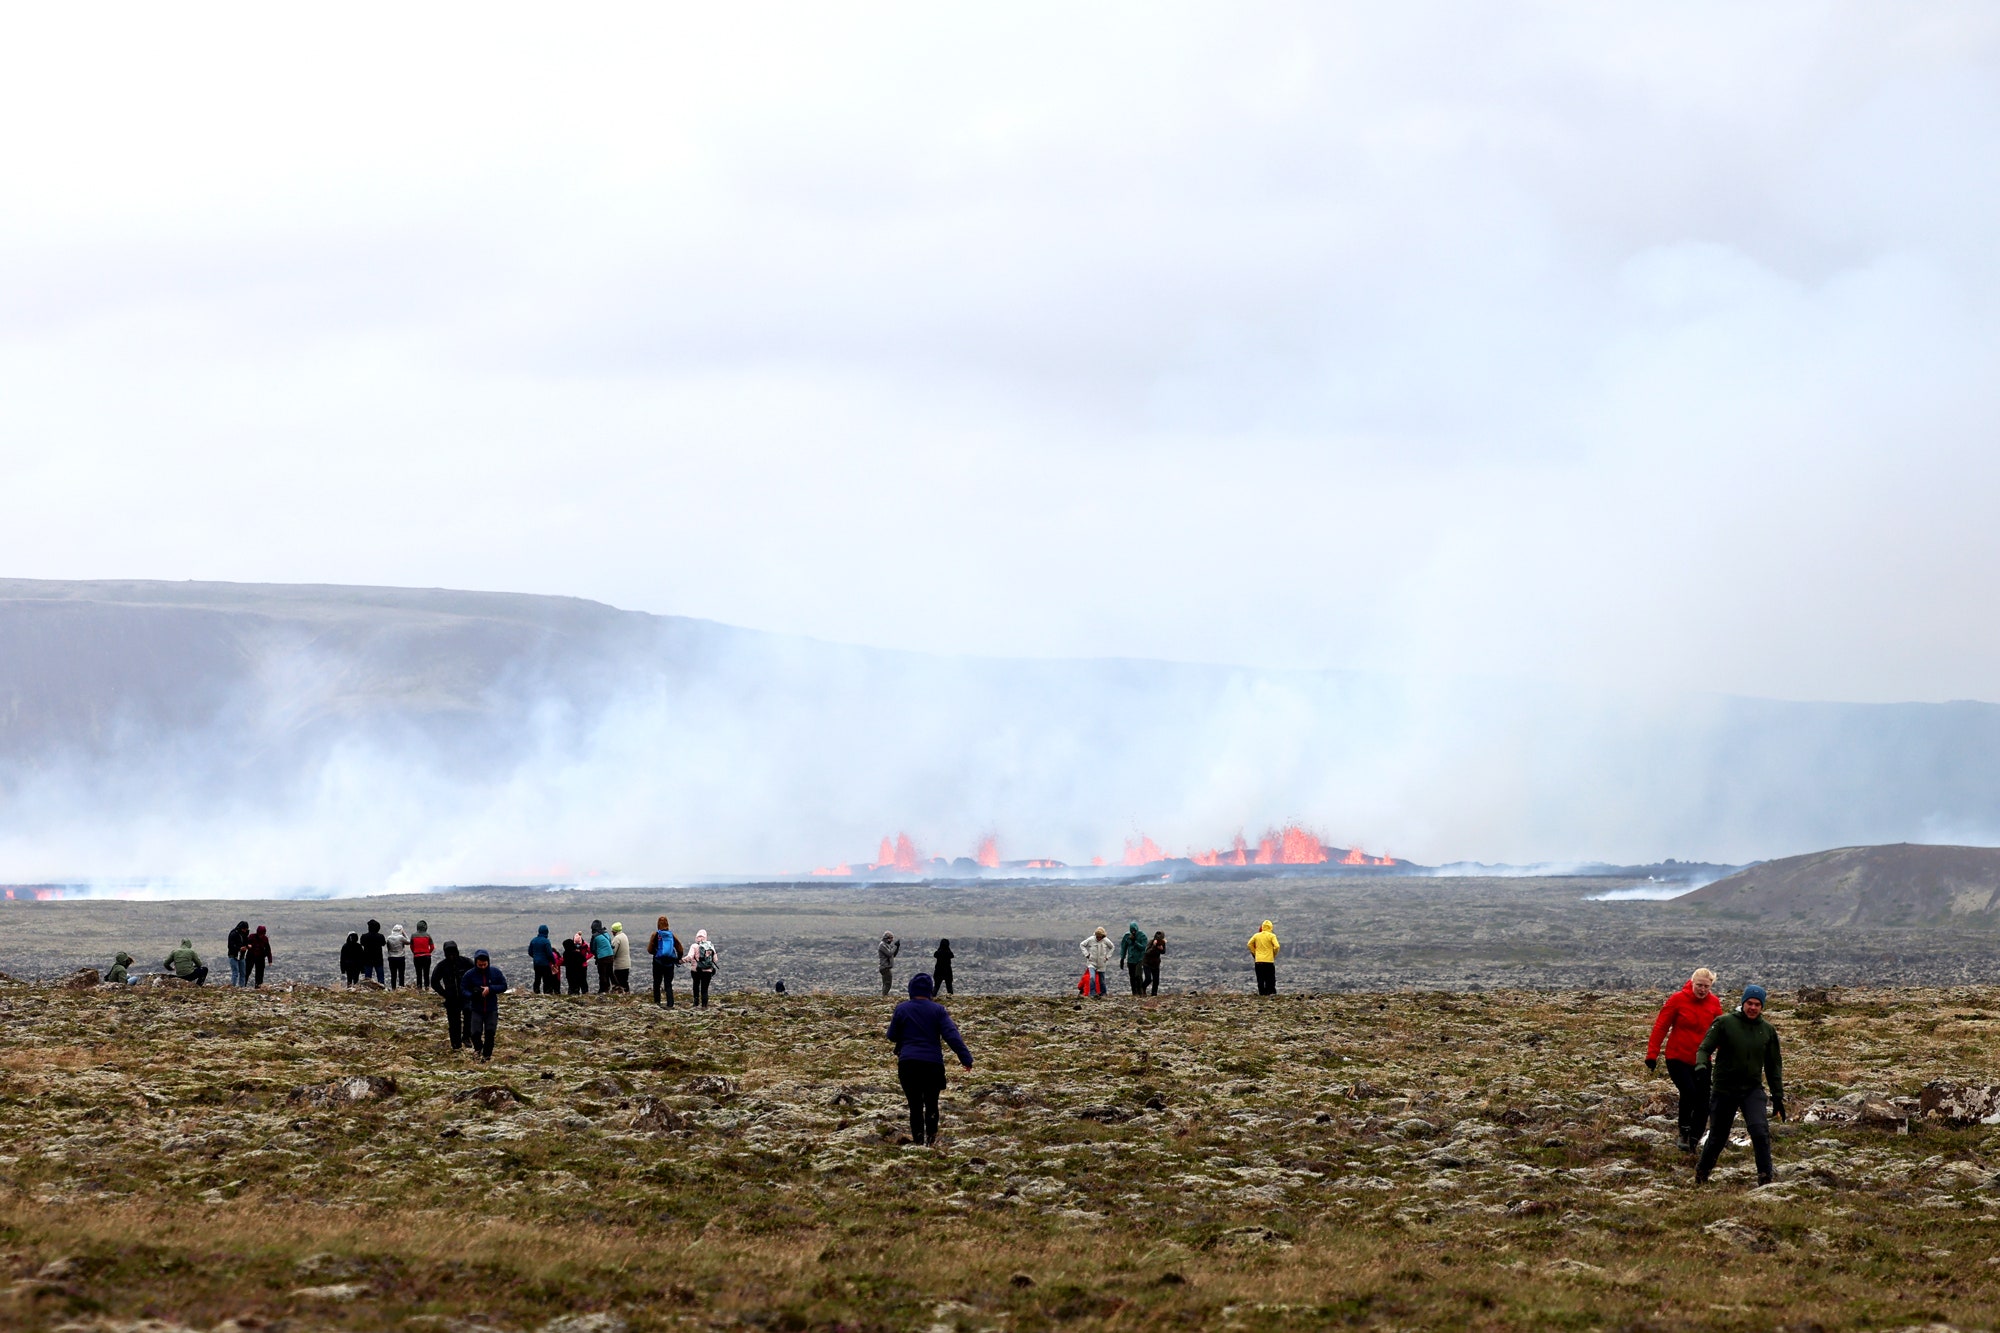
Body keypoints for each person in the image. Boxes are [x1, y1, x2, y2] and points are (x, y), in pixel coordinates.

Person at [1694, 984, 1786, 1187]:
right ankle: (1702, 1172)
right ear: (1743, 1003)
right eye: (1749, 1003)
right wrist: (1701, 1066)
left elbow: (1773, 1066)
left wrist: (1777, 1096)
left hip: (1752, 1089)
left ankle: (1765, 1177)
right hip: (1724, 1089)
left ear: (1762, 1007)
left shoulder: (1767, 1031)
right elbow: (1704, 1048)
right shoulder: (1725, 1023)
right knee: (1718, 1136)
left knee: (1760, 1131)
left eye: (1757, 1004)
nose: (1753, 1008)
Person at [886, 972, 973, 1146]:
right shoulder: (938, 1010)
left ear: (911, 989)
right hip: (933, 1064)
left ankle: (918, 1142)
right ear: (930, 991)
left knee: (915, 1105)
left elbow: (892, 1036)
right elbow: (952, 1035)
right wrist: (965, 1058)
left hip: (908, 1064)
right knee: (932, 1103)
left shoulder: (902, 1009)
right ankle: (931, 1141)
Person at [1647, 967, 1724, 1151]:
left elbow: (1720, 1032)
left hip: (1702, 1060)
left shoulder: (1714, 1003)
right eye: (1699, 985)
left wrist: (1727, 1055)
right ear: (1692, 983)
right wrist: (1652, 1054)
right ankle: (1684, 1131)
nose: (1702, 989)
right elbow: (1661, 1026)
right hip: (1677, 1057)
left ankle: (1694, 1139)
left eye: (1706, 986)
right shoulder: (1677, 999)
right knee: (1689, 1092)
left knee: (1704, 1100)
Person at [460, 948, 509, 1061]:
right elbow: (463, 988)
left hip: (491, 1008)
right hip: (476, 1008)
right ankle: (478, 1049)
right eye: (480, 965)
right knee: (475, 1033)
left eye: (484, 965)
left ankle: (487, 1055)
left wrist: (490, 989)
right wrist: (472, 994)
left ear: (488, 962)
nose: (482, 967)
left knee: (490, 1032)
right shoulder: (470, 974)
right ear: (476, 963)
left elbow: (504, 986)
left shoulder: (495, 972)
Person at [429, 941, 475, 1051]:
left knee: (469, 1014)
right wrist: (445, 994)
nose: (451, 956)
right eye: (449, 953)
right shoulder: (442, 966)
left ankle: (466, 1037)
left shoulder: (466, 962)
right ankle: (456, 1045)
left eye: (453, 953)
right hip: (451, 998)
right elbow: (434, 982)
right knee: (454, 1022)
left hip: (466, 996)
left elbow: (476, 974)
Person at [648, 916, 679, 1007]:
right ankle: (670, 1003)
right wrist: (677, 958)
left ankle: (657, 1002)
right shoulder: (671, 935)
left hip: (658, 962)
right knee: (668, 984)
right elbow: (680, 948)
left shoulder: (655, 935)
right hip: (669, 963)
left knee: (657, 982)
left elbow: (649, 949)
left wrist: (656, 953)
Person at [683, 929, 717, 1007]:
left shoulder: (694, 946)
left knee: (696, 986)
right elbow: (715, 959)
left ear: (696, 937)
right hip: (708, 971)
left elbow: (689, 957)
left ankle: (696, 1003)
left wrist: (680, 961)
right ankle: (704, 1006)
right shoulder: (710, 946)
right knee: (705, 989)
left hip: (696, 970)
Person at [1247, 920, 1281, 995]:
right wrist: (1273, 954)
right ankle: (1270, 993)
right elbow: (1277, 946)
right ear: (1271, 927)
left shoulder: (1256, 935)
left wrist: (1255, 953)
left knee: (1260, 979)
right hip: (1269, 961)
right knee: (1270, 978)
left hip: (1258, 961)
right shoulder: (1272, 936)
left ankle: (1262, 993)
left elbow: (1249, 944)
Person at [1079, 927, 1114, 998]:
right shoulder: (1091, 939)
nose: (1099, 938)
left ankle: (1103, 993)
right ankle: (1092, 993)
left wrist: (1107, 956)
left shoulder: (1105, 941)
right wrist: (1086, 954)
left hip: (1101, 963)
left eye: (1100, 937)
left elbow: (1112, 947)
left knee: (1102, 980)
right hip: (1092, 963)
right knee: (1092, 977)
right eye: (1097, 937)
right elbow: (1082, 944)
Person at [1117, 921, 1148, 996]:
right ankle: (1134, 992)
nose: (1133, 932)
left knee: (1138, 975)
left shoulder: (1142, 936)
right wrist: (1122, 958)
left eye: (1135, 930)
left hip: (1139, 959)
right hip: (1130, 959)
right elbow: (1123, 947)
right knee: (1132, 977)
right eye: (1132, 930)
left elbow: (1143, 947)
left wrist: (1135, 942)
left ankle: (1140, 991)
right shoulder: (1127, 936)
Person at [528, 925, 559, 995]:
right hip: (545, 964)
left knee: (537, 978)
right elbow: (549, 954)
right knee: (547, 979)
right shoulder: (546, 941)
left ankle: (536, 992)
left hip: (536, 963)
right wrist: (554, 962)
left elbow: (530, 952)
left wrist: (535, 957)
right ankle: (547, 992)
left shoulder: (533, 940)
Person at [359, 919, 387, 986]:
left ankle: (367, 988)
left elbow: (362, 943)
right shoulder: (380, 936)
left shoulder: (364, 936)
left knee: (368, 977)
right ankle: (382, 988)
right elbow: (383, 943)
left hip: (367, 959)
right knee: (380, 977)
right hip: (378, 958)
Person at [591, 920, 615, 994]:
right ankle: (617, 987)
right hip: (610, 955)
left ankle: (603, 990)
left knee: (602, 974)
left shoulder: (594, 936)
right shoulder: (606, 933)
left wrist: (596, 954)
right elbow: (609, 943)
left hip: (602, 957)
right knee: (610, 973)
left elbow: (592, 948)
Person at [410, 921, 436, 990]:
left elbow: (411, 947)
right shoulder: (428, 935)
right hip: (427, 957)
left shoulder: (413, 935)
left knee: (418, 973)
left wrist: (415, 953)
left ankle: (419, 988)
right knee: (426, 973)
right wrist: (428, 952)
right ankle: (427, 987)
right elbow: (432, 947)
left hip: (417, 957)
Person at [226, 920, 251, 988]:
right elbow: (230, 946)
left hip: (241, 956)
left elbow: (246, 942)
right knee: (235, 972)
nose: (245, 931)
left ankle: (241, 987)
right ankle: (233, 986)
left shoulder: (245, 934)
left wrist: (247, 946)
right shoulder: (233, 934)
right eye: (244, 929)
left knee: (243, 973)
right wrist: (239, 948)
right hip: (233, 955)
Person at [385, 923, 410, 989]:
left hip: (391, 957)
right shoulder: (401, 937)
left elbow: (388, 948)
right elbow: (408, 941)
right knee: (401, 974)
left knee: (393, 974)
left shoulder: (389, 937)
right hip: (400, 957)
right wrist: (404, 934)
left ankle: (393, 988)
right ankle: (401, 987)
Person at [610, 922, 632, 992]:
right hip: (626, 964)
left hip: (620, 965)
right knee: (625, 982)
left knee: (619, 983)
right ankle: (627, 995)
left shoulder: (617, 939)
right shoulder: (624, 936)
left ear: (614, 931)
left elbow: (613, 952)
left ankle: (623, 996)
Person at [1143, 931, 1166, 996]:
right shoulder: (1151, 942)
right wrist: (1154, 946)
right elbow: (1147, 952)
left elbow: (1163, 951)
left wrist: (1161, 949)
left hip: (1156, 964)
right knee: (1148, 979)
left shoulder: (1162, 943)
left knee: (1156, 980)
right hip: (1147, 963)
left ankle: (1154, 994)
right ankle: (1143, 988)